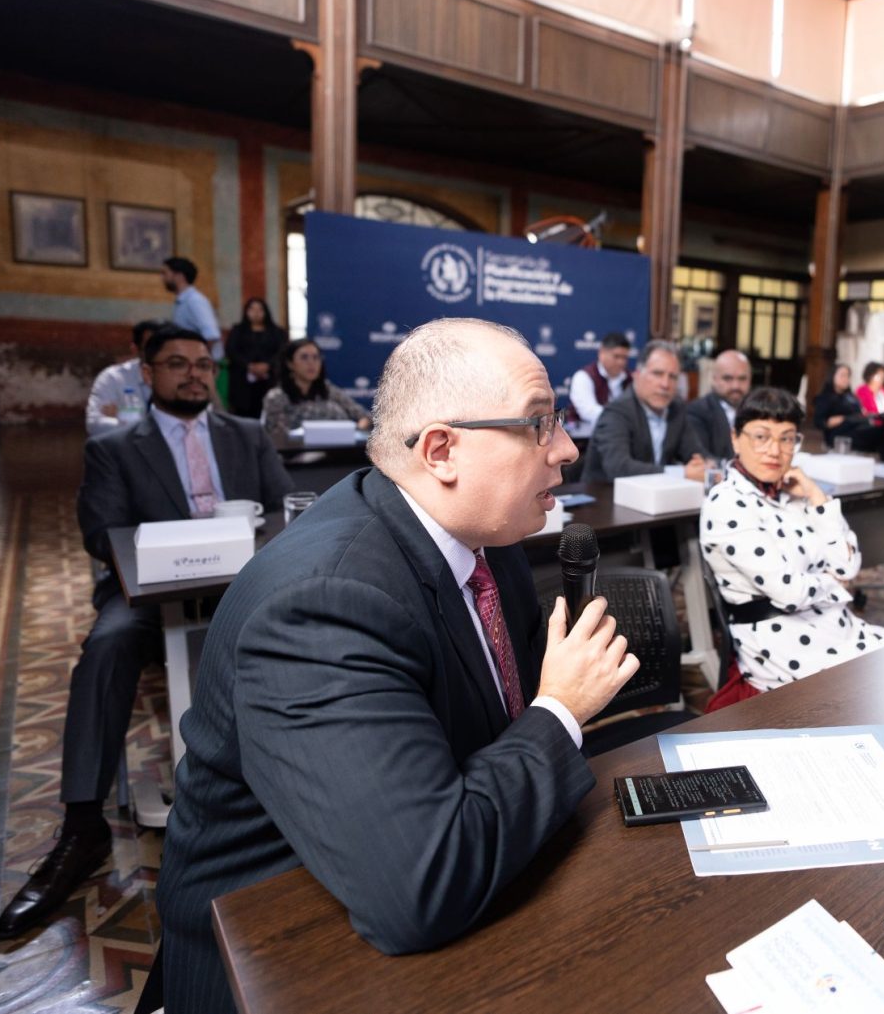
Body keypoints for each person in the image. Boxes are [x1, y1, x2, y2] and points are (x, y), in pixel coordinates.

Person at [155, 319, 638, 1014]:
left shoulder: (487, 539)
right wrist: (561, 708)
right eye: (537, 423)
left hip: (446, 881)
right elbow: (417, 887)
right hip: (281, 950)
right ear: (441, 451)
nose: (565, 448)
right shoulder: (323, 604)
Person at [0, 326, 293, 941]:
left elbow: (284, 508)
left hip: (241, 586)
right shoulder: (115, 447)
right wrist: (177, 551)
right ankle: (82, 826)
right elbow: (99, 532)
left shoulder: (245, 433)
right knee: (106, 646)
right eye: (178, 364)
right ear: (148, 374)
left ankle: (290, 788)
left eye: (203, 365)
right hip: (148, 596)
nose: (194, 374)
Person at [700, 387, 884, 692]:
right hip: (783, 645)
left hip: (840, 629)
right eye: (761, 436)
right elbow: (790, 592)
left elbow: (847, 566)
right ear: (735, 438)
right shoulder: (725, 502)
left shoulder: (794, 492)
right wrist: (833, 584)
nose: (774, 450)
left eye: (787, 438)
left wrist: (816, 495)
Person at [580, 339, 706, 481]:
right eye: (657, 374)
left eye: (673, 377)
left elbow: (696, 454)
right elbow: (619, 468)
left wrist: (705, 465)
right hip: (605, 493)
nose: (665, 384)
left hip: (659, 492)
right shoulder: (616, 413)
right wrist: (681, 473)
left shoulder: (676, 409)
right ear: (637, 375)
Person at [260, 337, 371, 444]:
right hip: (296, 453)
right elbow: (278, 436)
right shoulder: (276, 397)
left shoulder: (328, 390)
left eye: (316, 357)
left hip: (339, 450)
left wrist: (356, 431)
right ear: (290, 364)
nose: (311, 363)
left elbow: (364, 416)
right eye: (304, 357)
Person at [85, 319, 165, 434]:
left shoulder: (182, 378)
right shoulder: (113, 378)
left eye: (164, 348)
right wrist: (142, 428)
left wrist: (123, 418)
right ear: (135, 350)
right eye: (152, 348)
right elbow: (94, 424)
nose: (160, 353)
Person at [224, 298, 288, 418]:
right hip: (243, 382)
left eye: (260, 309)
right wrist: (249, 366)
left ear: (265, 312)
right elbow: (231, 351)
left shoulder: (277, 332)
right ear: (246, 312)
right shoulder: (237, 331)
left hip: (270, 380)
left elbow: (282, 352)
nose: (256, 313)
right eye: (252, 309)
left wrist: (267, 365)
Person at [686, 348, 752, 462]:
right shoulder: (697, 411)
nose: (736, 386)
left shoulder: (757, 411)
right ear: (714, 379)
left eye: (742, 379)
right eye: (727, 378)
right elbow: (702, 456)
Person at [565, 331, 631, 439]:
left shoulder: (630, 379)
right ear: (602, 353)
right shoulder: (584, 376)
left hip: (621, 438)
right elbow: (588, 411)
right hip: (584, 441)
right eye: (617, 356)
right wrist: (622, 417)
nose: (621, 362)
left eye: (625, 358)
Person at [811, 363, 884, 455]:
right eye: (842, 375)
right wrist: (843, 419)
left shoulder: (850, 397)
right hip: (840, 434)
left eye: (848, 376)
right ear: (832, 376)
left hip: (858, 428)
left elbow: (860, 413)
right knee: (881, 433)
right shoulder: (826, 398)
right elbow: (819, 422)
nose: (846, 379)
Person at [161, 257, 223, 359]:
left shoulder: (195, 301)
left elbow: (211, 335)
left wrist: (202, 362)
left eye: (165, 273)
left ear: (179, 276)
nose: (162, 278)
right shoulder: (182, 301)